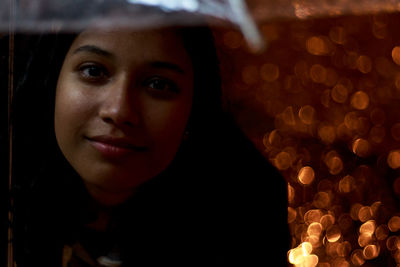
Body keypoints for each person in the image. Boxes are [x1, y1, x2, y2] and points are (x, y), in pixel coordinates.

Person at [12, 23, 289, 266]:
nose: (120, 110)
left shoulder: (245, 211)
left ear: (194, 108)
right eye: (93, 70)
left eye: (158, 84)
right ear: (52, 81)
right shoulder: (12, 167)